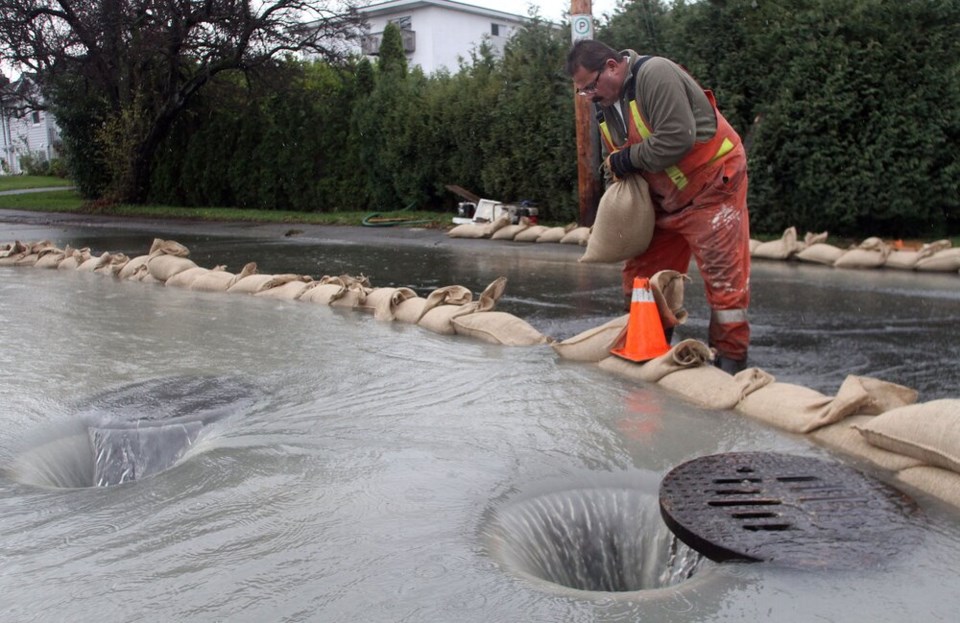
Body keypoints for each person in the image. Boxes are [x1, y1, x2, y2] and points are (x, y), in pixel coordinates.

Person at [565, 40, 751, 374]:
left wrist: (626, 160)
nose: (589, 95)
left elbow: (676, 138)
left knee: (724, 281)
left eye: (591, 85)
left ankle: (730, 364)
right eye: (582, 91)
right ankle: (649, 348)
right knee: (641, 278)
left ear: (612, 65)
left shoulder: (655, 74)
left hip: (711, 187)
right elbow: (622, 163)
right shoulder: (605, 104)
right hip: (665, 200)